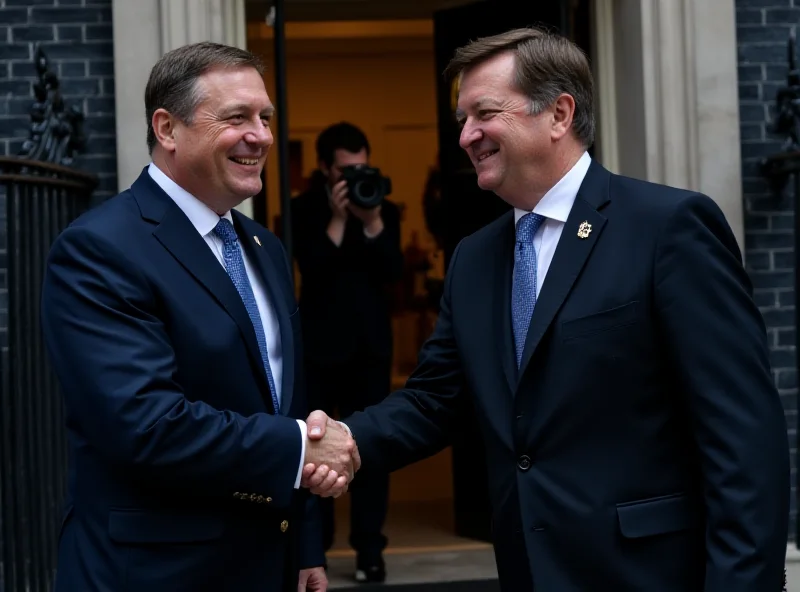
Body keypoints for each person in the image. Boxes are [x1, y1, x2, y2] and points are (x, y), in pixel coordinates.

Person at [303, 26, 791, 591]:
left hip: (650, 574)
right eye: (462, 118)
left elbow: (742, 436)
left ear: (559, 114)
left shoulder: (668, 229)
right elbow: (438, 398)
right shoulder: (475, 258)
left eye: (483, 113)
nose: (465, 135)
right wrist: (348, 438)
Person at [40, 41, 358, 592]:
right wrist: (300, 448)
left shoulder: (263, 246)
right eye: (236, 117)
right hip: (155, 573)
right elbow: (146, 425)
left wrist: (305, 545)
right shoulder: (99, 248)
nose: (259, 135)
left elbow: (287, 401)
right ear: (167, 129)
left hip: (269, 563)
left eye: (264, 117)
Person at [290, 122, 403, 582]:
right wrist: (338, 220)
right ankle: (316, 548)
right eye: (346, 170)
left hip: (370, 351)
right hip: (319, 351)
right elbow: (310, 271)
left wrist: (372, 220)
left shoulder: (382, 208)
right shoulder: (303, 209)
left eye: (363, 167)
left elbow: (393, 273)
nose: (356, 177)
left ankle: (369, 550)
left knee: (371, 454)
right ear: (324, 169)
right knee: (317, 457)